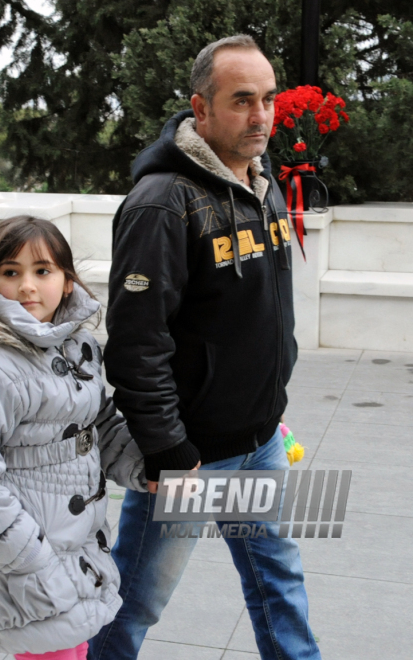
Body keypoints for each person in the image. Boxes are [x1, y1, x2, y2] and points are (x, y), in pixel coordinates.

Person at [89, 35, 321, 660]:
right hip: (192, 459)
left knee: (279, 584)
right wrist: (171, 452)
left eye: (268, 99)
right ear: (200, 107)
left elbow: (261, 315)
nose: (261, 115)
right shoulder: (162, 203)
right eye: (242, 100)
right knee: (133, 601)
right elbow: (137, 343)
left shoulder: (263, 184)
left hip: (262, 440)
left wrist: (266, 397)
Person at [0, 216, 145, 660]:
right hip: (25, 563)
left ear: (67, 282)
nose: (28, 286)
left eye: (42, 271)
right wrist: (33, 562)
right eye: (11, 272)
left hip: (72, 547)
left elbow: (96, 425)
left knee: (71, 646)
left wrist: (145, 466)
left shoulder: (75, 346)